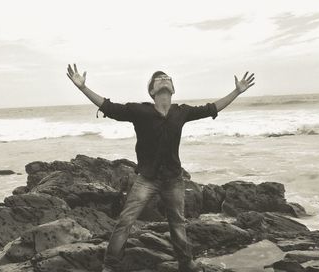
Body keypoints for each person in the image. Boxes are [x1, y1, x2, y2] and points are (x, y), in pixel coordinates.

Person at [66, 64, 255, 272]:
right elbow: (109, 108)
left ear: (173, 88)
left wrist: (237, 91)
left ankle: (185, 263)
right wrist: (83, 88)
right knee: (125, 221)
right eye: (159, 78)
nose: (164, 78)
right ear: (152, 90)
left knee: (177, 224)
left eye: (167, 77)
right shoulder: (139, 111)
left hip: (174, 179)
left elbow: (212, 108)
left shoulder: (181, 112)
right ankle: (110, 266)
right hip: (146, 179)